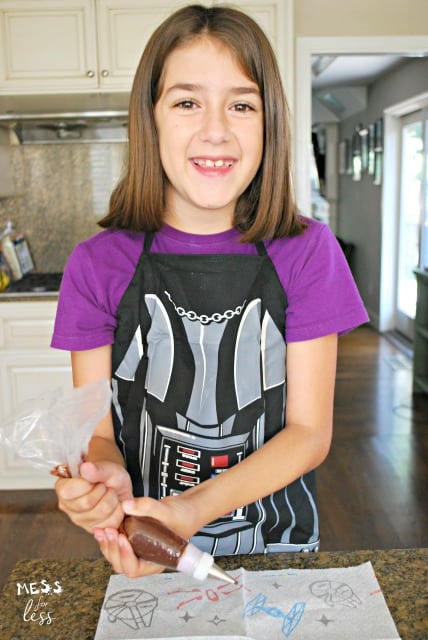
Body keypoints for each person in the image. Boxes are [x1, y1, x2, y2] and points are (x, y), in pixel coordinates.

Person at [51, 4, 369, 578]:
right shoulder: (96, 265)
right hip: (148, 549)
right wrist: (104, 482)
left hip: (279, 550)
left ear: (268, 123)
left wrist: (190, 511)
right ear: (150, 118)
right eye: (187, 101)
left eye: (242, 104)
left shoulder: (308, 252)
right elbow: (100, 434)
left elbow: (308, 433)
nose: (216, 129)